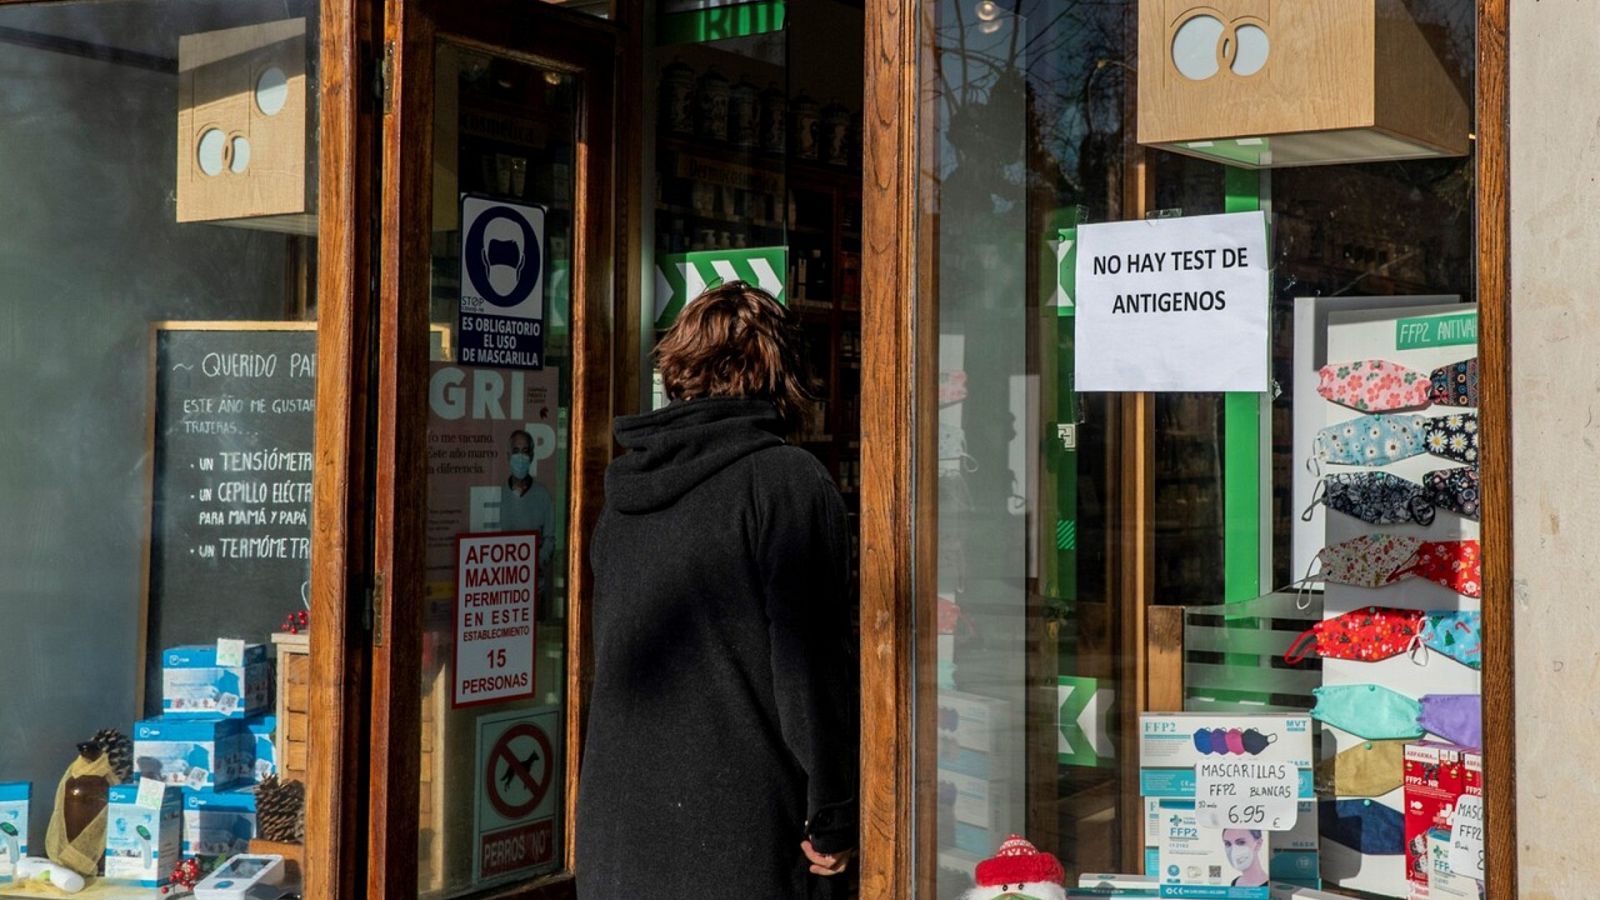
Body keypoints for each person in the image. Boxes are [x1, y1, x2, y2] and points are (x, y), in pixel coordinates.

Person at [575, 282, 859, 899]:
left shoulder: (623, 495)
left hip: (613, 838)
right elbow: (809, 668)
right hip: (740, 841)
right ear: (780, 372)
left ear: (679, 372)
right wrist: (836, 812)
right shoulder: (784, 482)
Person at [499, 429, 556, 605]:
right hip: (501, 587)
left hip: (533, 588)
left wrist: (535, 562)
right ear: (508, 456)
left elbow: (550, 538)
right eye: (516, 451)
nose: (520, 457)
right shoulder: (498, 494)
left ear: (531, 456)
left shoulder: (542, 495)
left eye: (525, 452)